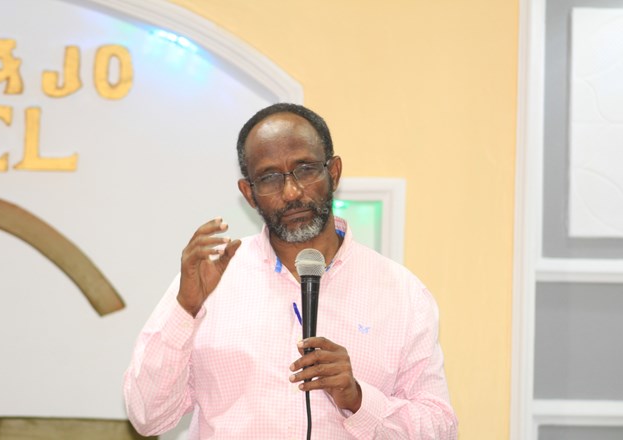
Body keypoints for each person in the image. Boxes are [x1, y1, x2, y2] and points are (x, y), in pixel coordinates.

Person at [123, 103, 458, 439]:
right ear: (249, 193)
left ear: (334, 172)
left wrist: (358, 399)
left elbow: (440, 429)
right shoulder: (211, 282)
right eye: (269, 178)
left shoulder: (402, 294)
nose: (291, 192)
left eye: (305, 170)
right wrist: (186, 309)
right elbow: (147, 416)